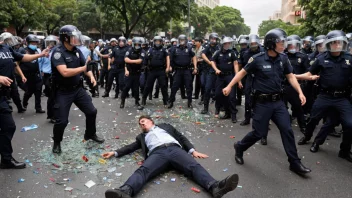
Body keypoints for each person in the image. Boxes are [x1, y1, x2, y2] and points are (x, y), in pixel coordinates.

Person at [222, 28, 311, 175]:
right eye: (281, 42)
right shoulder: (257, 59)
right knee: (258, 133)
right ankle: (240, 147)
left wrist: (300, 92)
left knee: (287, 130)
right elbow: (242, 73)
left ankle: (294, 162)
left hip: (278, 102)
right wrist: (229, 86)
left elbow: (290, 76)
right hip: (262, 103)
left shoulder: (283, 59)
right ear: (271, 44)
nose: (284, 45)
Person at [103, 115, 239, 198]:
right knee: (143, 170)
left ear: (151, 121)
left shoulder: (166, 126)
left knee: (193, 166)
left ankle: (215, 187)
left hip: (174, 149)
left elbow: (181, 137)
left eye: (143, 121)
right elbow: (130, 147)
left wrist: (192, 150)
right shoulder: (141, 137)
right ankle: (125, 191)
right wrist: (114, 152)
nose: (142, 124)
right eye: (140, 124)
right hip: (157, 154)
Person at [296, 30, 352, 162]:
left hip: (342, 98)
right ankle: (307, 137)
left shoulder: (349, 59)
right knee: (313, 119)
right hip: (325, 96)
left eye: (339, 42)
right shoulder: (321, 58)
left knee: (349, 124)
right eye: (334, 42)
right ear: (329, 44)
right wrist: (294, 76)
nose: (337, 45)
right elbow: (309, 74)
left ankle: (344, 151)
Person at [51, 25, 105, 154]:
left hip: (77, 89)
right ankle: (57, 142)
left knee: (92, 111)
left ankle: (90, 134)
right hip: (62, 91)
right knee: (62, 121)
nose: (76, 39)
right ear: (65, 38)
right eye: (73, 37)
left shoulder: (77, 51)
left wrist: (91, 76)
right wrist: (84, 69)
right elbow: (64, 72)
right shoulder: (58, 53)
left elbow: (85, 67)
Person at [0, 32, 49, 169]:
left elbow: (23, 58)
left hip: (2, 95)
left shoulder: (7, 49)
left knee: (9, 126)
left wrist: (40, 54)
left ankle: (6, 159)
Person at [211, 37, 239, 123]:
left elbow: (235, 64)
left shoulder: (232, 53)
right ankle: (218, 109)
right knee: (218, 94)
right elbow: (212, 61)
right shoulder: (218, 53)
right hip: (220, 76)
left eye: (229, 43)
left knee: (231, 96)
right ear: (223, 44)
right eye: (226, 43)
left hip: (230, 76)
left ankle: (233, 115)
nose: (227, 45)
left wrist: (237, 76)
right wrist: (216, 69)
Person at [239, 34, 264, 126]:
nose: (253, 45)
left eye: (255, 43)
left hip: (260, 78)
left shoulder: (263, 51)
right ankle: (247, 118)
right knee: (248, 98)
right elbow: (244, 67)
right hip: (250, 78)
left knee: (261, 100)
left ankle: (263, 120)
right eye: (251, 43)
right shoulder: (246, 53)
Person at [168, 34, 197, 109]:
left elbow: (194, 57)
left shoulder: (189, 48)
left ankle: (189, 102)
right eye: (180, 40)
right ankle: (171, 101)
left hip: (187, 70)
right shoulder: (174, 49)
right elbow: (170, 58)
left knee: (189, 87)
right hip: (178, 70)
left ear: (186, 41)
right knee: (174, 87)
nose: (182, 42)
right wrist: (170, 66)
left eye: (183, 40)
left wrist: (195, 67)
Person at [141, 36, 170, 108]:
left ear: (161, 42)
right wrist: (144, 66)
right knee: (148, 86)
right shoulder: (150, 50)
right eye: (156, 41)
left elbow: (168, 58)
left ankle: (165, 100)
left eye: (159, 41)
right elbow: (146, 59)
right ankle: (143, 99)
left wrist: (168, 67)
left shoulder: (164, 50)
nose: (157, 43)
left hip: (161, 70)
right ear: (154, 42)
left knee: (163, 86)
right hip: (152, 71)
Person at [20, 34, 45, 113]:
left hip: (37, 74)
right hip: (27, 75)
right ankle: (25, 101)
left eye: (35, 43)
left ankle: (38, 108)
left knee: (38, 91)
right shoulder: (22, 50)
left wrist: (41, 71)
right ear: (27, 43)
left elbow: (40, 61)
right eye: (32, 43)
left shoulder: (37, 50)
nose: (34, 44)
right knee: (29, 92)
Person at [120, 37, 145, 110]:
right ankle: (122, 101)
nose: (137, 45)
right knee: (126, 87)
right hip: (129, 72)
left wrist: (130, 60)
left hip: (137, 73)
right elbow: (125, 59)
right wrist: (134, 61)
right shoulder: (129, 50)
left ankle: (137, 102)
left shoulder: (142, 51)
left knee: (136, 88)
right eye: (136, 44)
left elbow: (140, 61)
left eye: (139, 44)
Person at [40, 35, 58, 123]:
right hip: (47, 76)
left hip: (55, 76)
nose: (51, 45)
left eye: (52, 43)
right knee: (51, 96)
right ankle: (52, 115)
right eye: (49, 43)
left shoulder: (56, 52)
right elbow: (40, 63)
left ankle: (55, 114)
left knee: (56, 96)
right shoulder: (44, 52)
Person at [201, 33, 220, 115]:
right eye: (212, 38)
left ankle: (218, 108)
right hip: (210, 70)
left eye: (215, 39)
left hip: (218, 70)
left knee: (218, 90)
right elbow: (203, 55)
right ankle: (205, 108)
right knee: (207, 89)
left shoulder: (219, 47)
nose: (213, 40)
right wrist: (210, 63)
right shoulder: (207, 46)